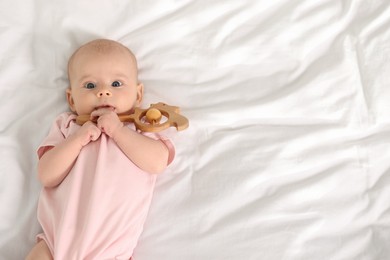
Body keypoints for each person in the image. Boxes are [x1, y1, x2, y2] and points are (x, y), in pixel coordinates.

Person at [26, 39, 175, 259]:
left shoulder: (140, 126)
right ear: (72, 100)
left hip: (111, 252)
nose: (104, 92)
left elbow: (157, 162)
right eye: (90, 85)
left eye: (116, 84)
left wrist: (118, 131)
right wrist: (77, 139)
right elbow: (46, 175)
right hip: (55, 244)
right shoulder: (68, 125)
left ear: (138, 94)